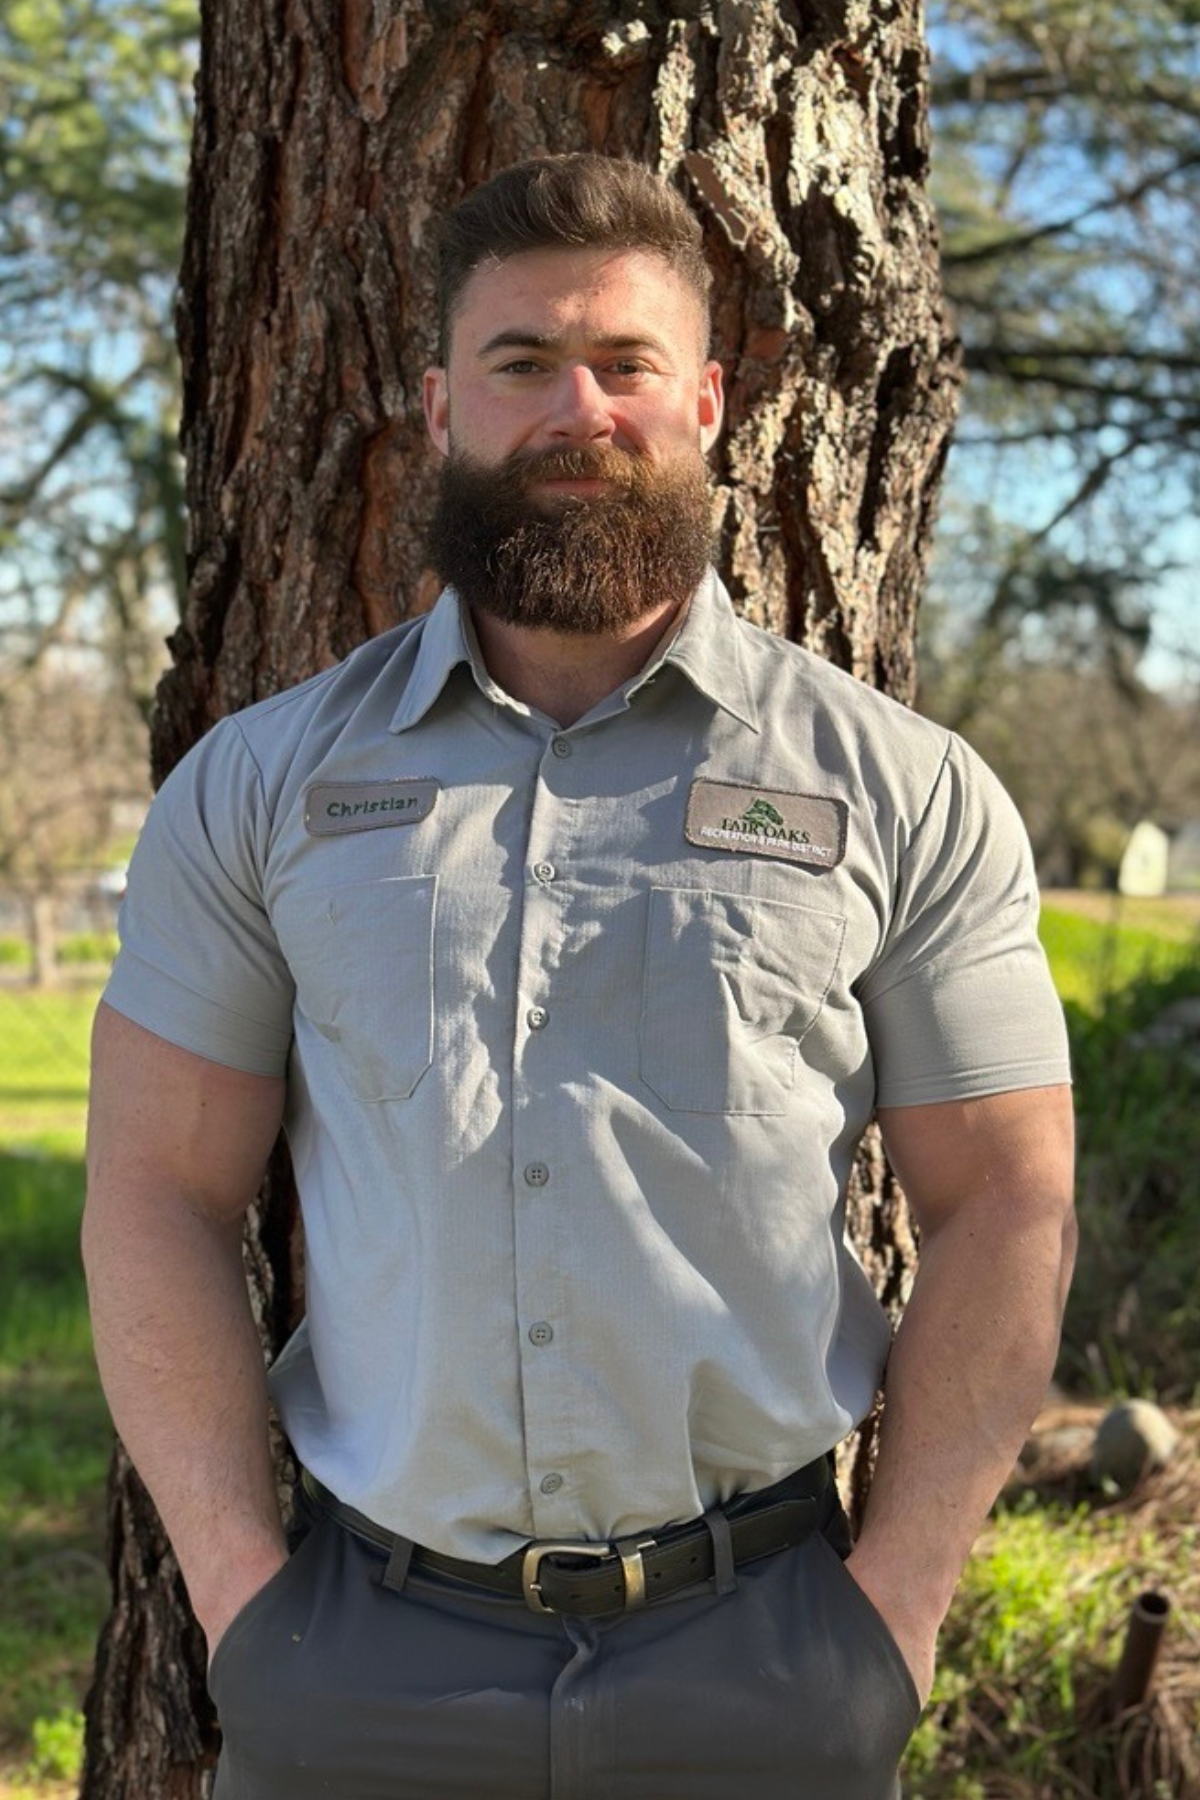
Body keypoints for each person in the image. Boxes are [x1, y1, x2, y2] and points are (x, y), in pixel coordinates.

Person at [83, 154, 1076, 1800]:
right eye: (522, 362)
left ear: (707, 401)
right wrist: (240, 1600)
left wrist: (894, 1613)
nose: (578, 409)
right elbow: (153, 1190)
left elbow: (1009, 1199)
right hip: (361, 1669)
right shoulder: (261, 788)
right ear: (439, 408)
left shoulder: (905, 791)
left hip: (768, 1664)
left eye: (625, 363)